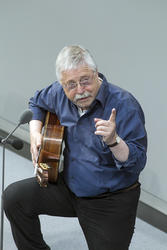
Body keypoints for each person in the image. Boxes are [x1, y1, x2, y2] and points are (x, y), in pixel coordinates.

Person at [3, 45, 147, 250]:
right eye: (71, 84)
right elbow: (37, 102)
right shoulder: (59, 93)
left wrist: (115, 141)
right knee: (14, 197)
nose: (80, 90)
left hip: (110, 200)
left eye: (85, 80)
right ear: (62, 84)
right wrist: (35, 133)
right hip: (70, 187)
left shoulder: (124, 104)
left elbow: (137, 163)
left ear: (96, 74)